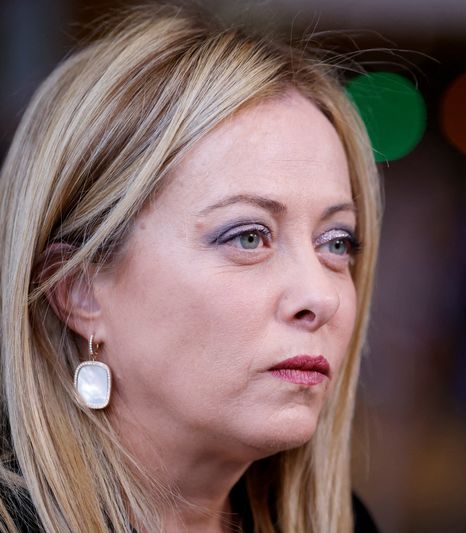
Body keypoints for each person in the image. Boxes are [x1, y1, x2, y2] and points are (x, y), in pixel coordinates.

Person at [0, 4, 382, 532]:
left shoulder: (345, 522)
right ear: (79, 289)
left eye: (336, 243)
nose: (322, 296)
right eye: (249, 237)